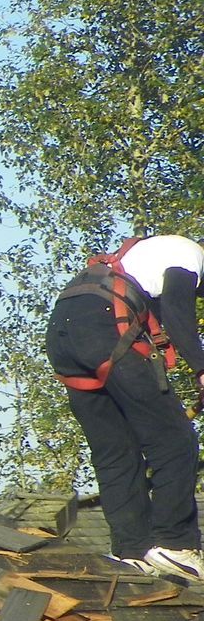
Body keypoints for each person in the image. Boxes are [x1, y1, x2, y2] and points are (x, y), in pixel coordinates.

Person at [46, 235, 204, 582]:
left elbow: (165, 320)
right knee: (175, 441)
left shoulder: (144, 259)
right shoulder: (189, 254)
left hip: (64, 332)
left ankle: (132, 551)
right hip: (104, 327)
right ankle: (175, 545)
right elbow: (179, 315)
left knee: (117, 451)